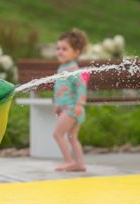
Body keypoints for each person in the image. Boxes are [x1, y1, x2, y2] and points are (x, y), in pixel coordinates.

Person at [53, 28, 89, 172]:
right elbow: (62, 89)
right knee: (72, 137)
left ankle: (68, 161)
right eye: (58, 48)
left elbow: (81, 86)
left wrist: (79, 104)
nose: (60, 51)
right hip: (69, 108)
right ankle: (79, 164)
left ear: (76, 52)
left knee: (57, 134)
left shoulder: (73, 69)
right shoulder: (63, 67)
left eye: (65, 49)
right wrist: (58, 105)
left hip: (73, 108)